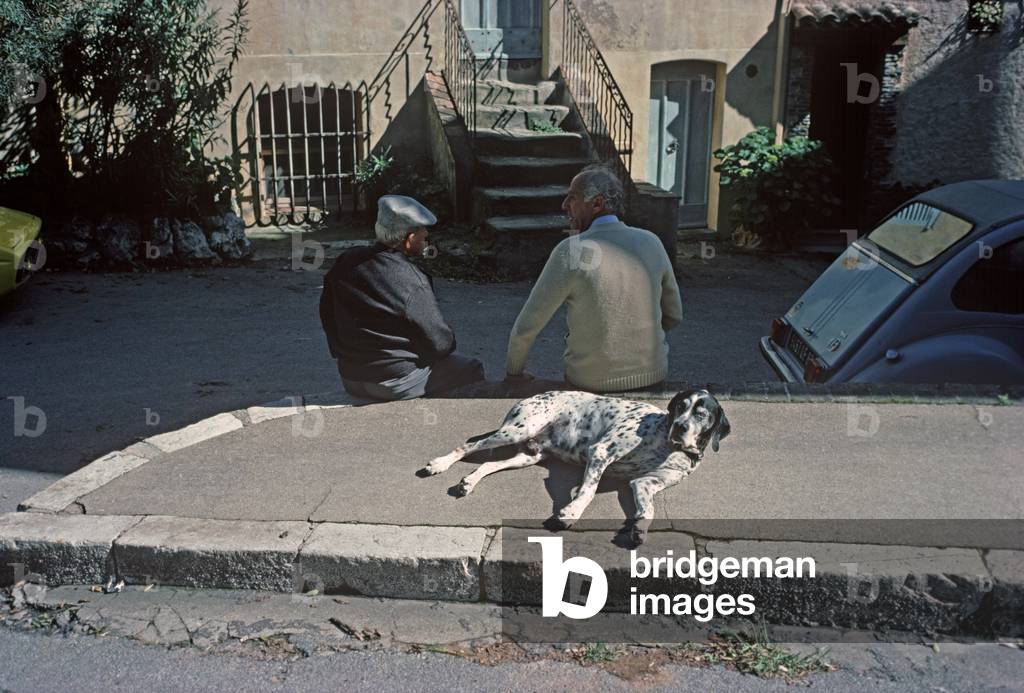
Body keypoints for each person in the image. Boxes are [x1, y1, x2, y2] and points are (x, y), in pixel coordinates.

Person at [504, 164, 683, 392]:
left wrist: (513, 374)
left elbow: (526, 327)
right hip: (653, 378)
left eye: (572, 197)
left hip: (591, 385)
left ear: (597, 203)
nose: (564, 205)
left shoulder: (572, 250)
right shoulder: (652, 242)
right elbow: (674, 315)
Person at [319, 195, 484, 401]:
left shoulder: (347, 260)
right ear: (410, 239)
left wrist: (346, 355)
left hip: (350, 377)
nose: (426, 240)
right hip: (394, 383)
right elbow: (441, 344)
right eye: (423, 237)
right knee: (471, 368)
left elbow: (327, 314)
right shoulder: (411, 279)